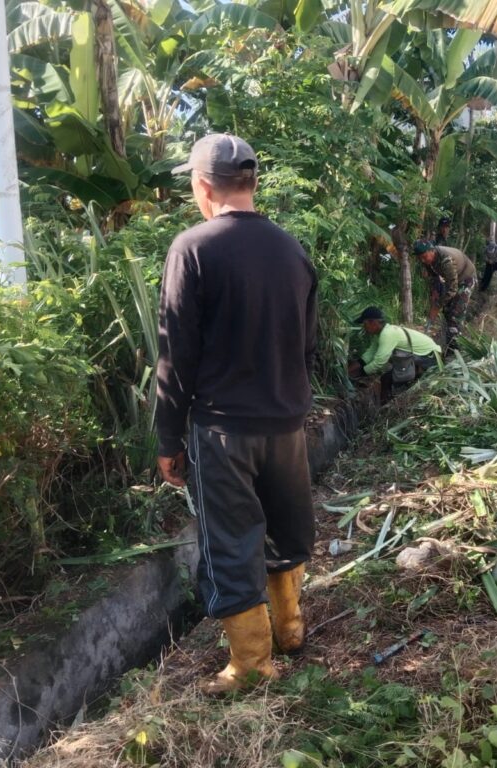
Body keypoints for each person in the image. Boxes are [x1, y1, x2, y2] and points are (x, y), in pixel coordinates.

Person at [155, 133, 317, 694]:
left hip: (224, 430)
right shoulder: (291, 249)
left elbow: (176, 355)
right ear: (252, 182)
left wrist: (168, 437)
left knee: (231, 542)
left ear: (203, 186)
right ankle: (290, 629)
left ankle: (251, 664)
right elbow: (307, 344)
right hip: (287, 425)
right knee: (285, 530)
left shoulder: (193, 248)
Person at [348, 307, 441, 400]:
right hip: (422, 354)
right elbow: (369, 355)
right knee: (389, 378)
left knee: (387, 379)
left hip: (429, 357)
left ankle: (389, 405)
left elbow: (379, 362)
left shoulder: (387, 334)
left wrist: (360, 373)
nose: (364, 328)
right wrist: (348, 371)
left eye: (365, 324)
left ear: (374, 323)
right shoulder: (380, 334)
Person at [413, 240, 475, 348]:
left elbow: (452, 290)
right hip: (452, 279)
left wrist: (437, 306)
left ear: (432, 251)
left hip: (466, 278)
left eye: (424, 257)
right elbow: (434, 278)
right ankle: (448, 340)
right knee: (446, 310)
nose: (422, 260)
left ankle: (455, 348)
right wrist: (434, 294)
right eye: (420, 258)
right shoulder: (427, 260)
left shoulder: (447, 260)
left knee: (455, 313)